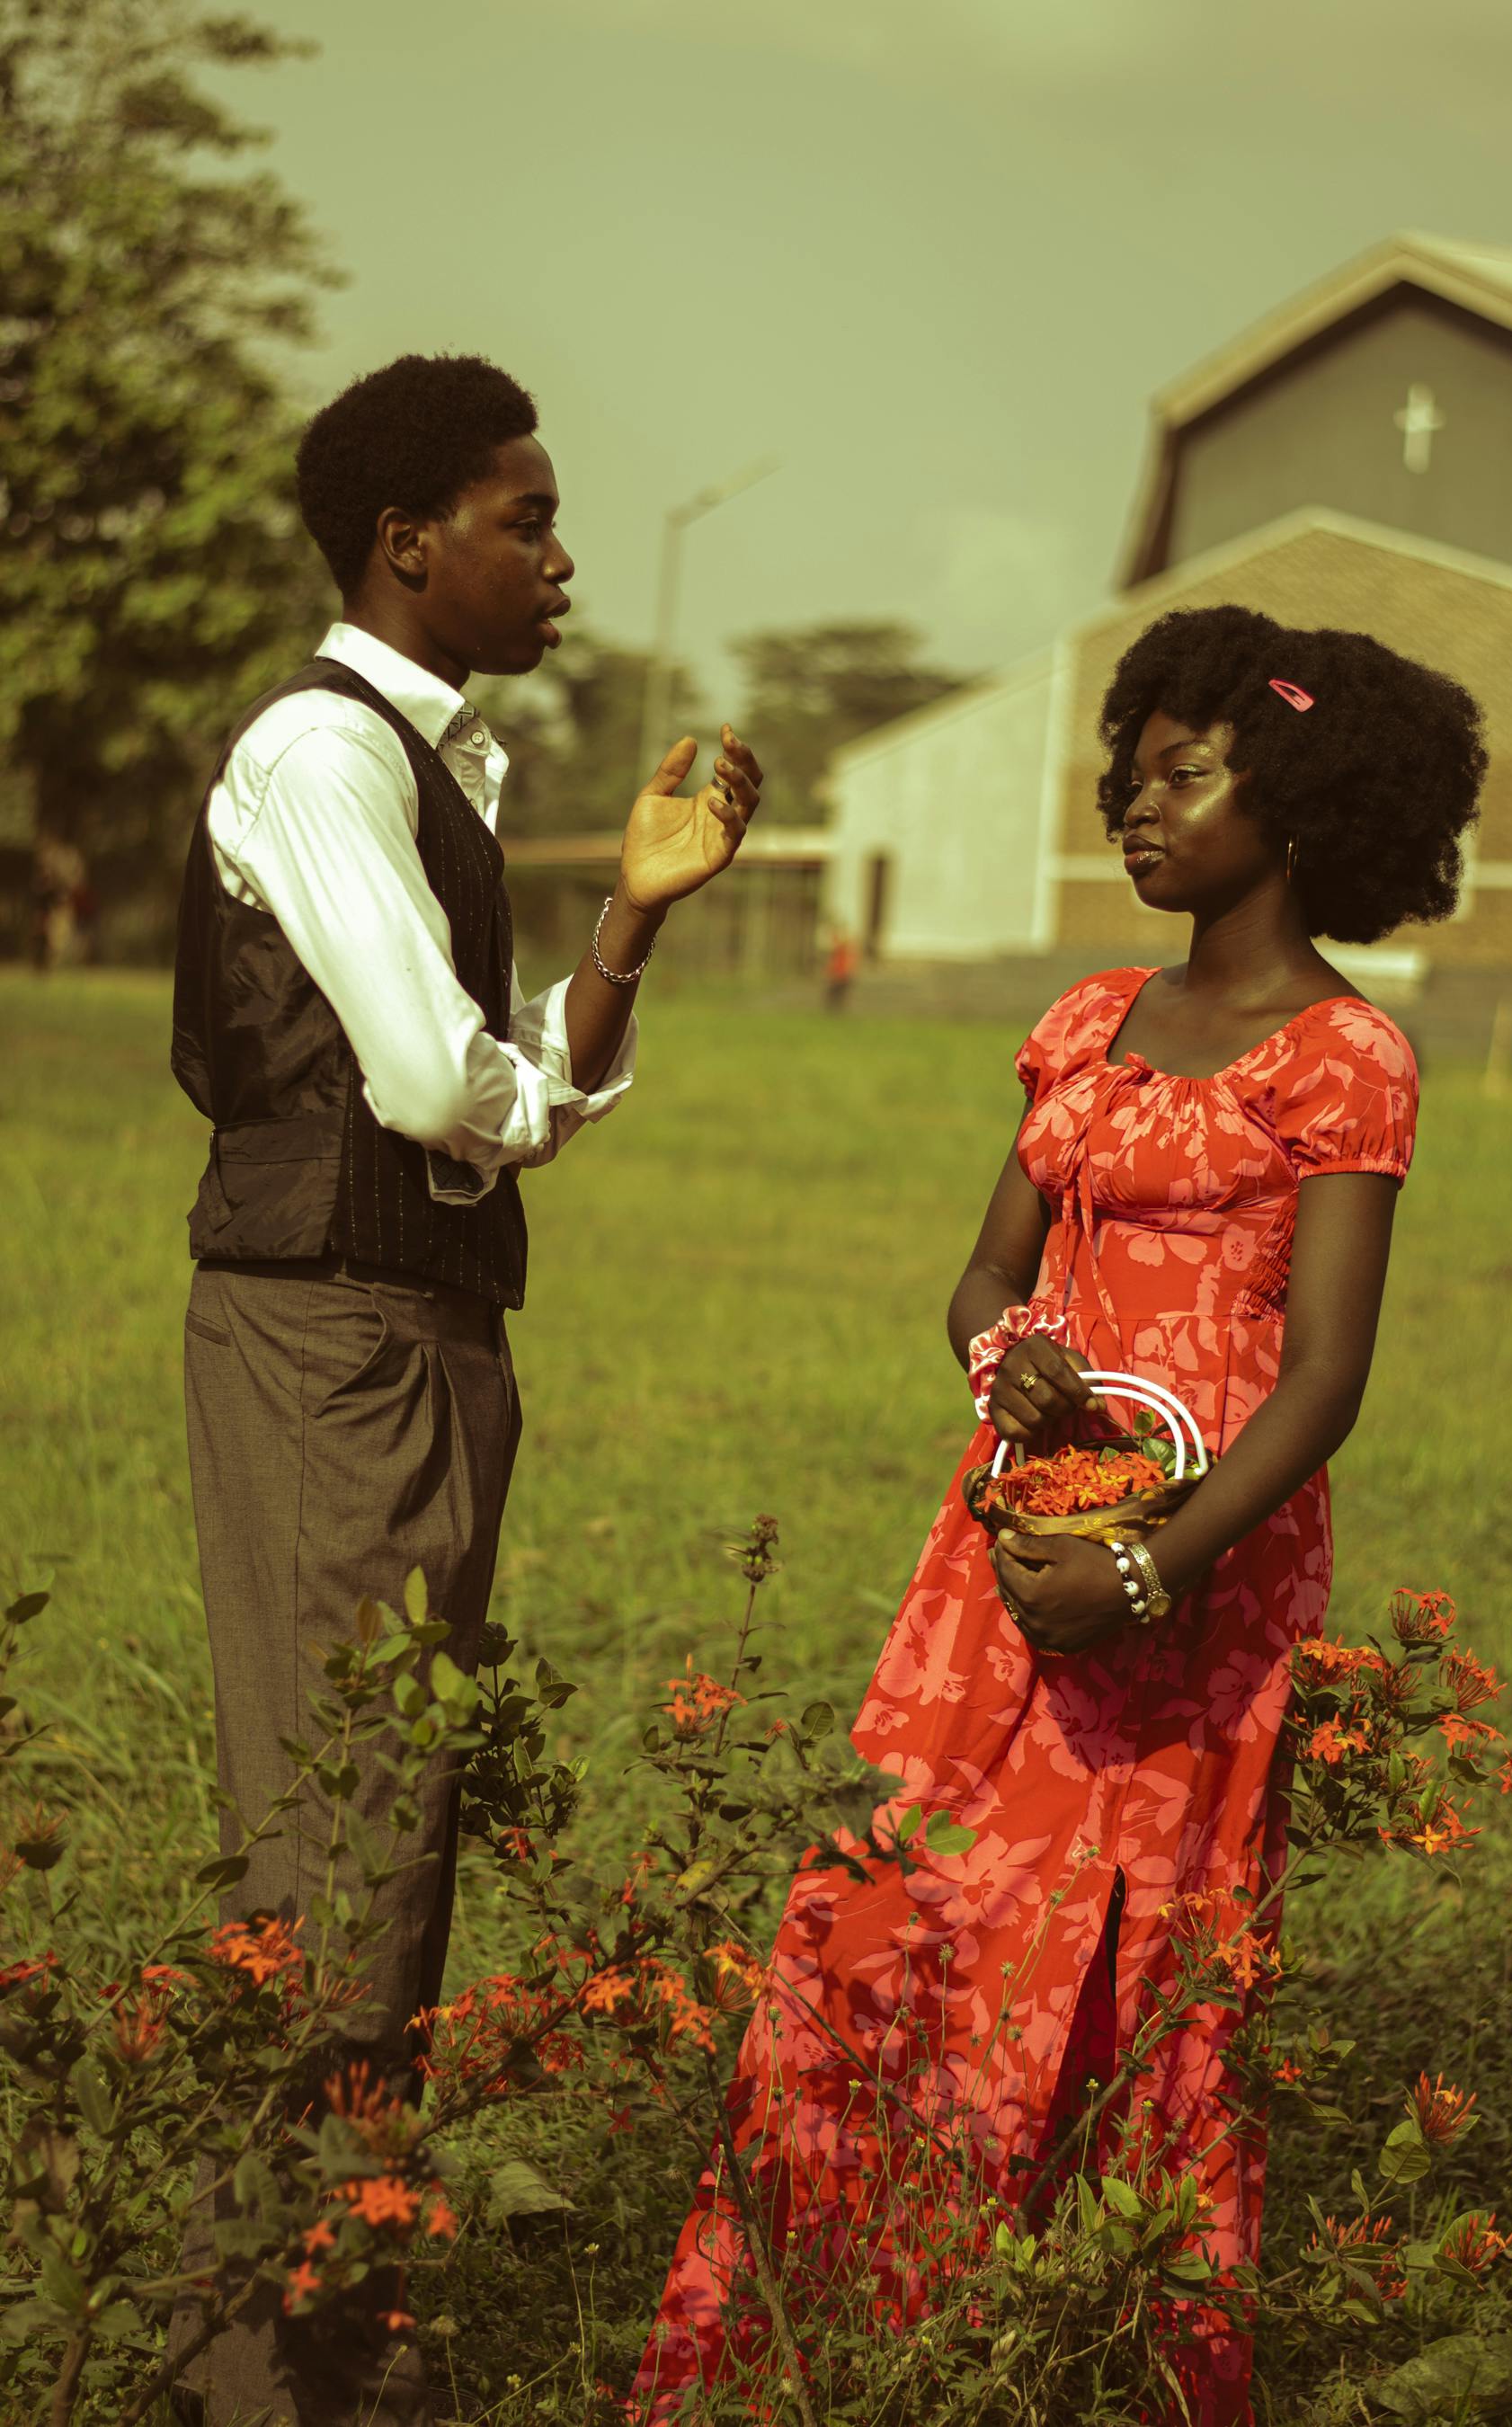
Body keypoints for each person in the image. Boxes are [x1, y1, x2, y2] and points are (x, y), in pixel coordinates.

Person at [632, 602, 1486, 2423]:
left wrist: (1152, 1567)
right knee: (899, 1902)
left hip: (1199, 1561)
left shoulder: (1348, 1055)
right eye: (1128, 770)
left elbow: (1327, 1374)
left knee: (1132, 1931)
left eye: (1185, 771)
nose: (1136, 802)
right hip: (1009, 1541)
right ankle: (840, 2322)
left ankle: (1079, 2340)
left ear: (1311, 797)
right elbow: (985, 1282)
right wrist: (1008, 1365)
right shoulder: (1087, 1021)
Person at [167, 352, 763, 2427]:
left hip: (406, 1329)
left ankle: (316, 2320)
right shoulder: (323, 757)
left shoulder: (441, 771)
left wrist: (624, 926)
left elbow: (489, 1082)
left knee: (384, 1830)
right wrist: (501, 1095)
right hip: (333, 1336)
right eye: (529, 517)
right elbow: (436, 1085)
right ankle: (273, 2357)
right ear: (408, 542)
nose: (564, 555)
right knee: (337, 1834)